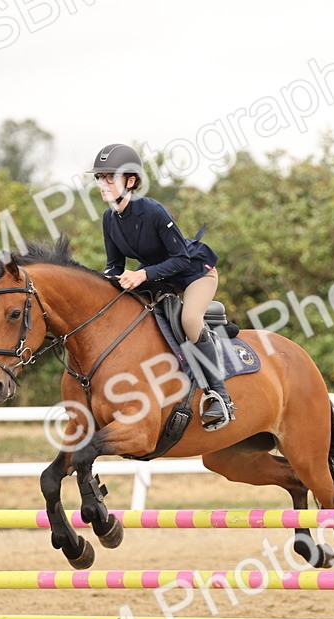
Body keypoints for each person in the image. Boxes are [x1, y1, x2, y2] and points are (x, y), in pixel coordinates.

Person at [87, 142, 235, 430]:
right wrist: (103, 285)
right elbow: (114, 265)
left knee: (189, 319)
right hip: (160, 277)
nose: (103, 184)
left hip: (195, 274)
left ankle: (219, 395)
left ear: (130, 181)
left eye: (109, 177)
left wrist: (141, 275)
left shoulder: (153, 211)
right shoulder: (109, 219)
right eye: (100, 178)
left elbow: (180, 258)